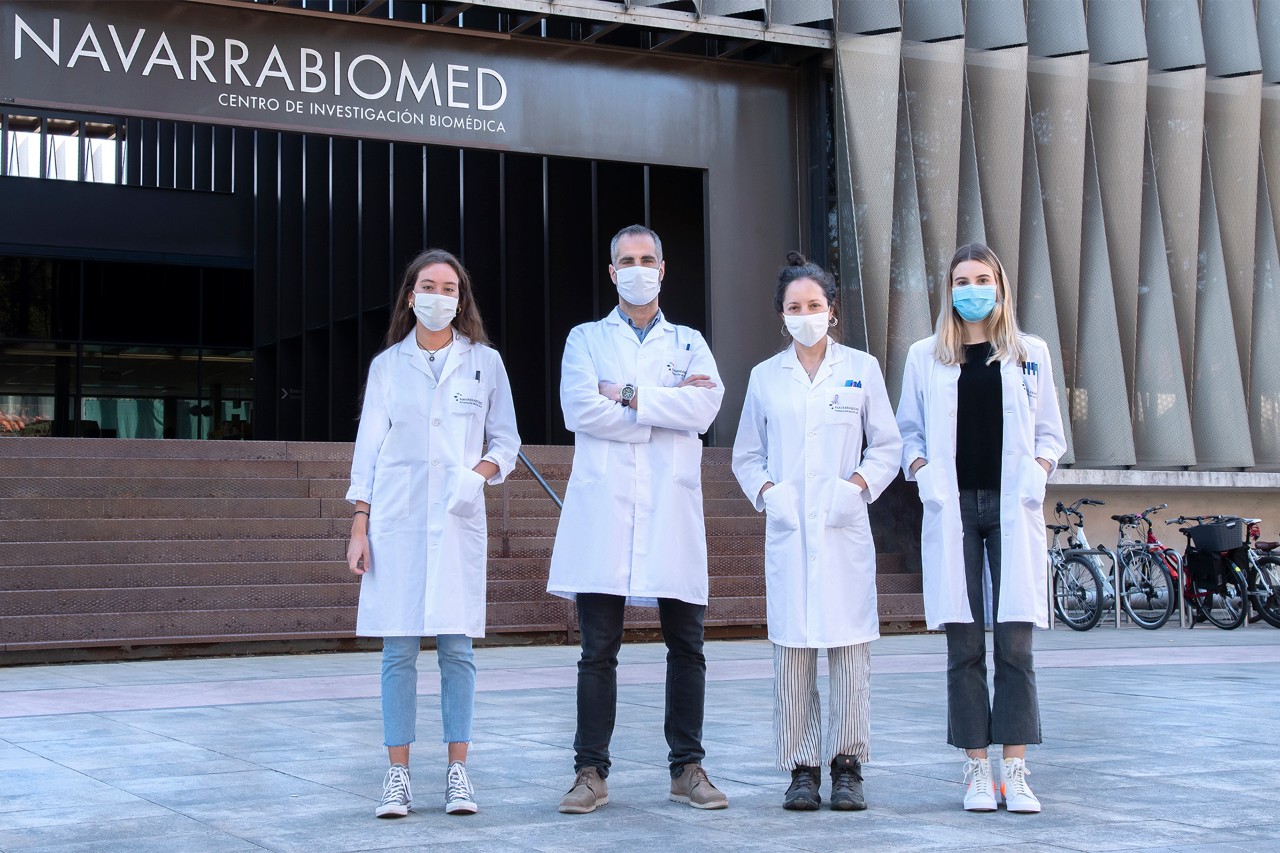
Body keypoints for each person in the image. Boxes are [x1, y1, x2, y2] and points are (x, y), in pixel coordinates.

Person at [547, 224, 728, 814]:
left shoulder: (689, 342)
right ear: (611, 272)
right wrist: (662, 406)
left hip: (671, 509)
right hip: (605, 510)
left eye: (647, 258)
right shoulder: (585, 338)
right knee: (598, 648)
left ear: (663, 268)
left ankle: (688, 768)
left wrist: (624, 395)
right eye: (627, 260)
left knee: (688, 644)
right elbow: (579, 408)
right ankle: (590, 771)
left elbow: (705, 407)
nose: (638, 267)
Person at [345, 249, 520, 819]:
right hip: (395, 521)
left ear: (460, 299)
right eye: (429, 285)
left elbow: (506, 443)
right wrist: (360, 525)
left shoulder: (485, 364)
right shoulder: (387, 367)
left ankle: (457, 772)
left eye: (449, 288)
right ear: (410, 296)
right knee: (397, 649)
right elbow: (368, 448)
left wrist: (478, 477)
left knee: (457, 649)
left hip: (457, 520)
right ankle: (397, 775)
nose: (438, 296)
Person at [895, 243, 1066, 814]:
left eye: (982, 279)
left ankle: (1014, 771)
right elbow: (908, 434)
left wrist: (1038, 475)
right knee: (963, 645)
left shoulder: (1029, 352)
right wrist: (922, 475)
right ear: (949, 289)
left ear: (1000, 286)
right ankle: (975, 769)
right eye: (962, 280)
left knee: (1015, 643)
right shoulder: (925, 355)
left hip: (1012, 505)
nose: (972, 289)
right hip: (954, 507)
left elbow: (1049, 435)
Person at [731, 252, 902, 812]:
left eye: (814, 305)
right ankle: (802, 767)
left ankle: (847, 765)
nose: (804, 314)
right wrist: (769, 495)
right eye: (793, 307)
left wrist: (855, 488)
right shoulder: (764, 377)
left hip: (843, 527)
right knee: (793, 652)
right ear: (781, 315)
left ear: (832, 311)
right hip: (787, 528)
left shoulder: (862, 368)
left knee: (850, 648)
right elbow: (746, 455)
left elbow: (888, 446)